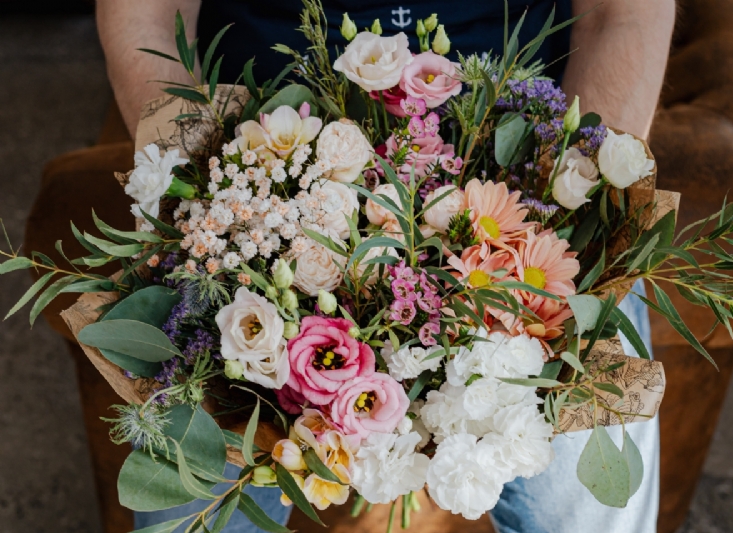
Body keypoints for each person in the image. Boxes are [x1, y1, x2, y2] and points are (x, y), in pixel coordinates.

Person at [94, 1, 675, 531]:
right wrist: (211, 202)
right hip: (261, 173)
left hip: (518, 196)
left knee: (581, 507)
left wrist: (575, 198)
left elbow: (620, 13)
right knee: (196, 507)